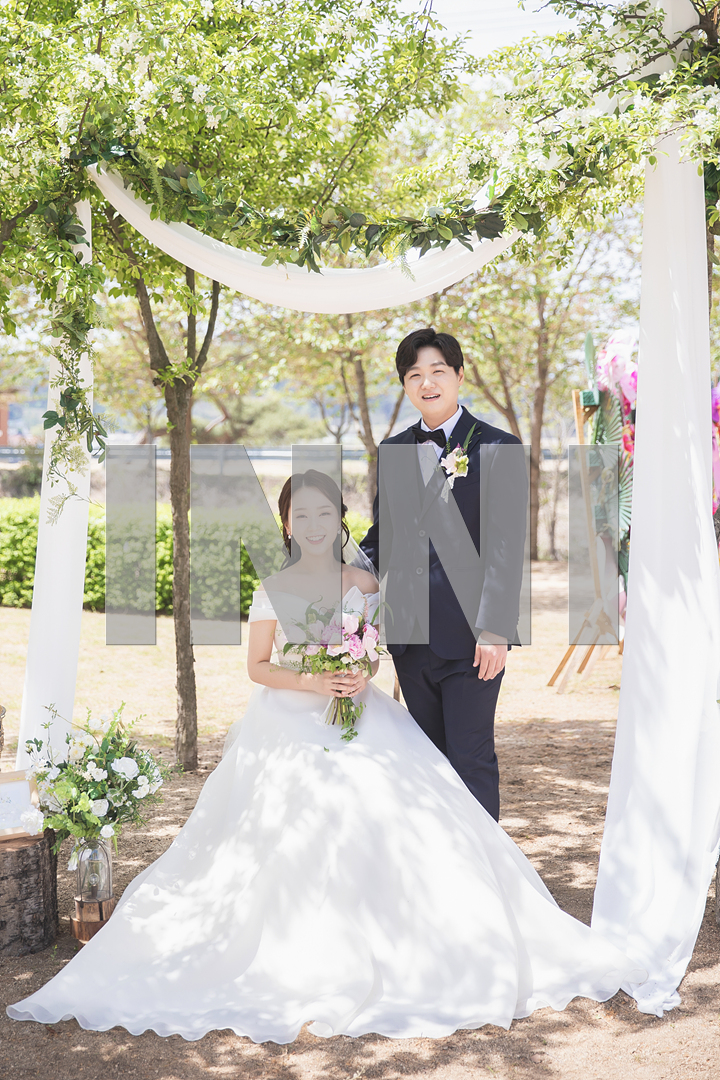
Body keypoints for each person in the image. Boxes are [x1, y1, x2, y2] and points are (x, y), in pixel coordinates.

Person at [7, 471, 644, 1042]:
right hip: (287, 719)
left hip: (362, 714)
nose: (314, 525)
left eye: (325, 513)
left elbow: (372, 651)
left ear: (340, 520)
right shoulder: (272, 588)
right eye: (301, 515)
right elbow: (258, 666)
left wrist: (360, 673)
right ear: (286, 524)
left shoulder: (362, 583)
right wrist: (313, 681)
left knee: (401, 804)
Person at [361, 327, 527, 821]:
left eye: (437, 371)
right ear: (405, 385)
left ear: (458, 375)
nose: (427, 383)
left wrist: (495, 628)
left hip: (473, 638)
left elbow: (506, 547)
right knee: (427, 761)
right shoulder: (394, 450)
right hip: (411, 637)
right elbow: (383, 537)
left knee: (470, 759)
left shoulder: (499, 446)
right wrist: (336, 571)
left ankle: (484, 866)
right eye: (414, 375)